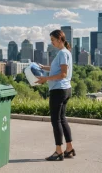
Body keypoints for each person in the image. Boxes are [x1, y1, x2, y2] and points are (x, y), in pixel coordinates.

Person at [35, 29, 75, 161]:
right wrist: (42, 67)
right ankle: (69, 149)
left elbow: (63, 74)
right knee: (62, 119)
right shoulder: (65, 53)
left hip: (58, 91)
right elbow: (56, 69)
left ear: (59, 39)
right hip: (65, 89)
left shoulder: (62, 53)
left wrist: (45, 79)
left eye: (52, 40)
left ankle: (59, 151)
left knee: (56, 120)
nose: (51, 42)